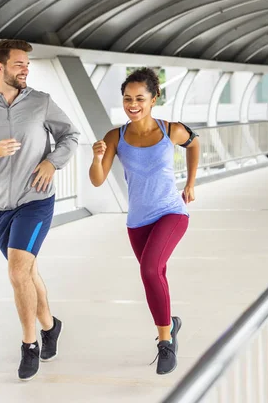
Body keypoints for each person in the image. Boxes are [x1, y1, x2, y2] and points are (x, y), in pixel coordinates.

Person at [0, 39, 80, 381]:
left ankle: (29, 345)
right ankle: (51, 326)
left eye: (27, 64)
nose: (26, 69)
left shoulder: (41, 102)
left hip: (35, 200)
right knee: (28, 272)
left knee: (17, 273)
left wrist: (53, 163)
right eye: (19, 64)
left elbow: (70, 136)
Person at [89, 68, 200, 375]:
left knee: (150, 269)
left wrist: (190, 183)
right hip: (137, 221)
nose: (133, 104)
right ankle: (171, 323)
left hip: (171, 212)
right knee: (155, 276)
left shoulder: (170, 130)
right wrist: (97, 158)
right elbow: (97, 181)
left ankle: (165, 343)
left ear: (154, 99)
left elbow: (194, 144)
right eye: (127, 98)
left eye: (140, 98)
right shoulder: (116, 136)